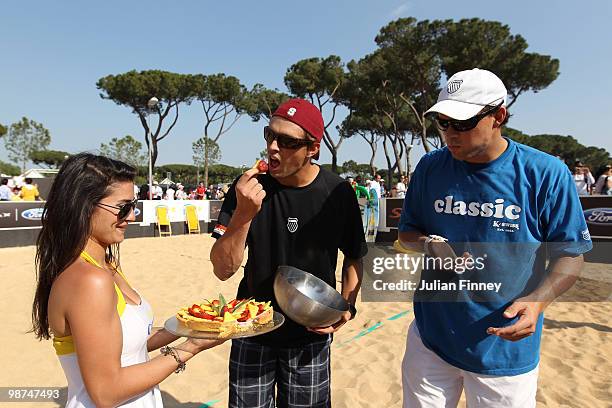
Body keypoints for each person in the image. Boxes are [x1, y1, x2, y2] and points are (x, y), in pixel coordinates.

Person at [397, 68, 592, 408]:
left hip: (503, 350)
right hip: (430, 342)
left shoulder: (545, 173)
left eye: (463, 123)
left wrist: (539, 301)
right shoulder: (430, 167)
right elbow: (407, 232)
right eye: (443, 123)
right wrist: (429, 244)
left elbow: (570, 254)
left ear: (499, 115)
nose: (450, 134)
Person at [31, 153, 224, 407]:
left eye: (134, 205)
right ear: (84, 206)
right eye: (123, 207)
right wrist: (191, 347)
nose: (131, 216)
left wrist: (192, 326)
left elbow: (129, 345)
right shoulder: (89, 280)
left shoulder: (106, 266)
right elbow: (106, 392)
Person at [209, 98, 366, 408]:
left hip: (310, 334)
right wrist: (243, 214)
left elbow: (354, 255)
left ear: (313, 149)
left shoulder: (337, 193)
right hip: (251, 328)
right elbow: (222, 269)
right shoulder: (247, 189)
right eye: (270, 135)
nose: (273, 147)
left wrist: (347, 307)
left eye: (287, 141)